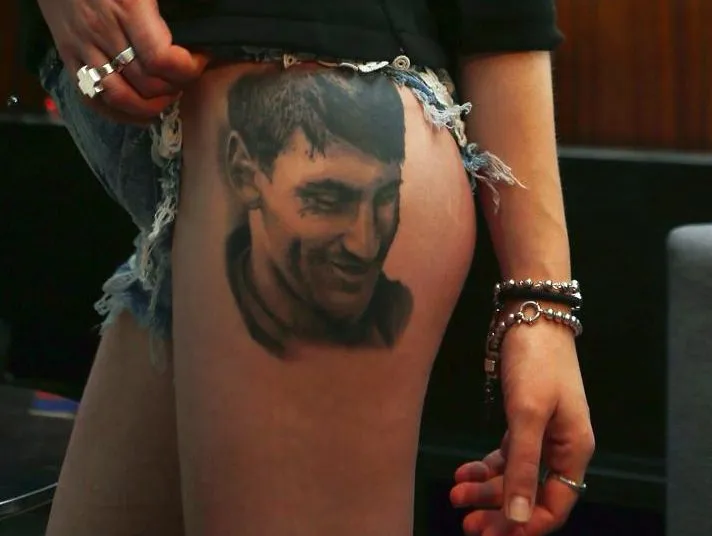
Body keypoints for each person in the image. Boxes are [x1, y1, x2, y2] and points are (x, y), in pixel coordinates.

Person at [22, 0, 595, 535]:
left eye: (378, 204)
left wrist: (543, 303)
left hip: (312, 92)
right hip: (211, 206)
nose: (366, 241)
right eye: (329, 201)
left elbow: (502, 17)